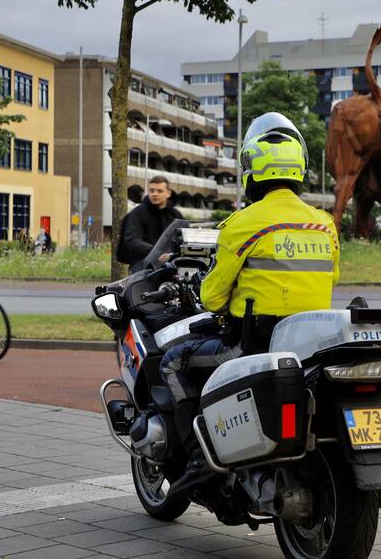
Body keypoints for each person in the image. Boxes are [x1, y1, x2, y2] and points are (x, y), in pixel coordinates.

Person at [159, 112, 340, 497]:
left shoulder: (242, 223)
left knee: (173, 363)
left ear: (253, 173)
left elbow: (212, 297)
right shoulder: (324, 224)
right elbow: (332, 278)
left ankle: (199, 459)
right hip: (309, 347)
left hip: (254, 345)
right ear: (299, 171)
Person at [116, 175, 184, 272]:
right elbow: (132, 240)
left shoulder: (176, 215)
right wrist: (156, 253)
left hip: (171, 262)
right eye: (152, 191)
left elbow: (183, 239)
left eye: (159, 191)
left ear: (168, 193)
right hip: (142, 263)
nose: (155, 194)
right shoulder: (137, 214)